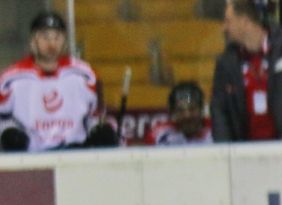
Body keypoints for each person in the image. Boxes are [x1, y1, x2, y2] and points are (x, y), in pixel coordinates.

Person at [0, 11, 116, 152]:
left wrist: (100, 129)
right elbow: (3, 118)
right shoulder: (10, 79)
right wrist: (8, 132)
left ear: (64, 41)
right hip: (32, 157)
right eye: (45, 37)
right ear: (33, 41)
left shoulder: (85, 75)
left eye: (57, 37)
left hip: (76, 153)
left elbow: (95, 116)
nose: (51, 44)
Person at [212, 0, 282, 144]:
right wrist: (224, 148)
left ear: (245, 22)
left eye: (228, 21)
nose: (224, 28)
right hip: (245, 151)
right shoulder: (227, 61)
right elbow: (219, 109)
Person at [144, 82, 213, 145]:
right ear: (173, 112)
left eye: (192, 109)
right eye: (180, 110)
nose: (187, 115)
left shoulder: (214, 129)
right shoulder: (159, 134)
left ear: (201, 109)